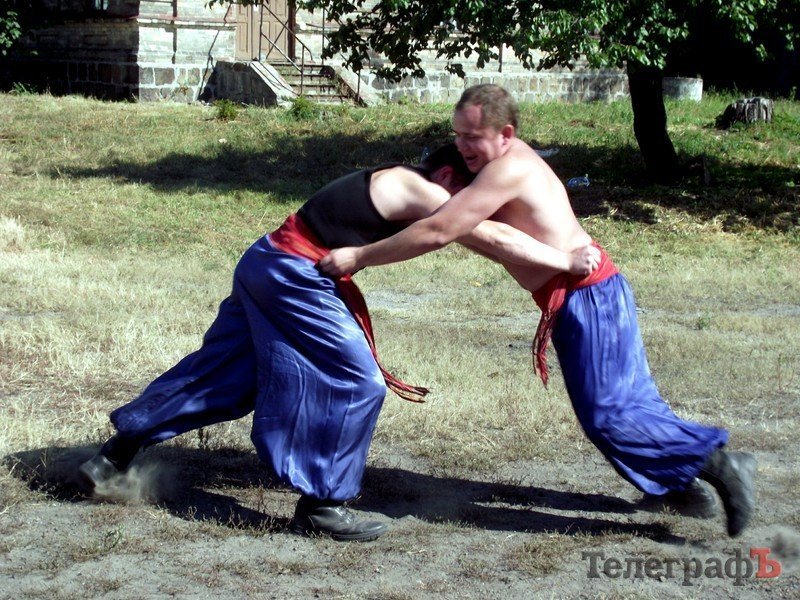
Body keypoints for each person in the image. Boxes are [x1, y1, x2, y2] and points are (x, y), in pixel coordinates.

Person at [78, 144, 601, 542]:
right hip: (293, 272)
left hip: (266, 260)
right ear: (446, 177)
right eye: (466, 192)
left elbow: (476, 236)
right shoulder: (421, 188)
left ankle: (111, 459)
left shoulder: (394, 180)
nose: (467, 204)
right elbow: (491, 236)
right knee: (357, 382)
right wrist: (565, 262)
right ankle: (322, 506)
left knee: (229, 375)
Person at [319, 84, 757, 538]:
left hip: (590, 296)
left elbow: (440, 229)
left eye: (474, 136)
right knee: (625, 404)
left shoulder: (507, 169)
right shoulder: (499, 161)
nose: (462, 145)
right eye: (458, 134)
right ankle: (680, 485)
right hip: (585, 295)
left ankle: (721, 464)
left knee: (610, 413)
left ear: (505, 133)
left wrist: (360, 256)